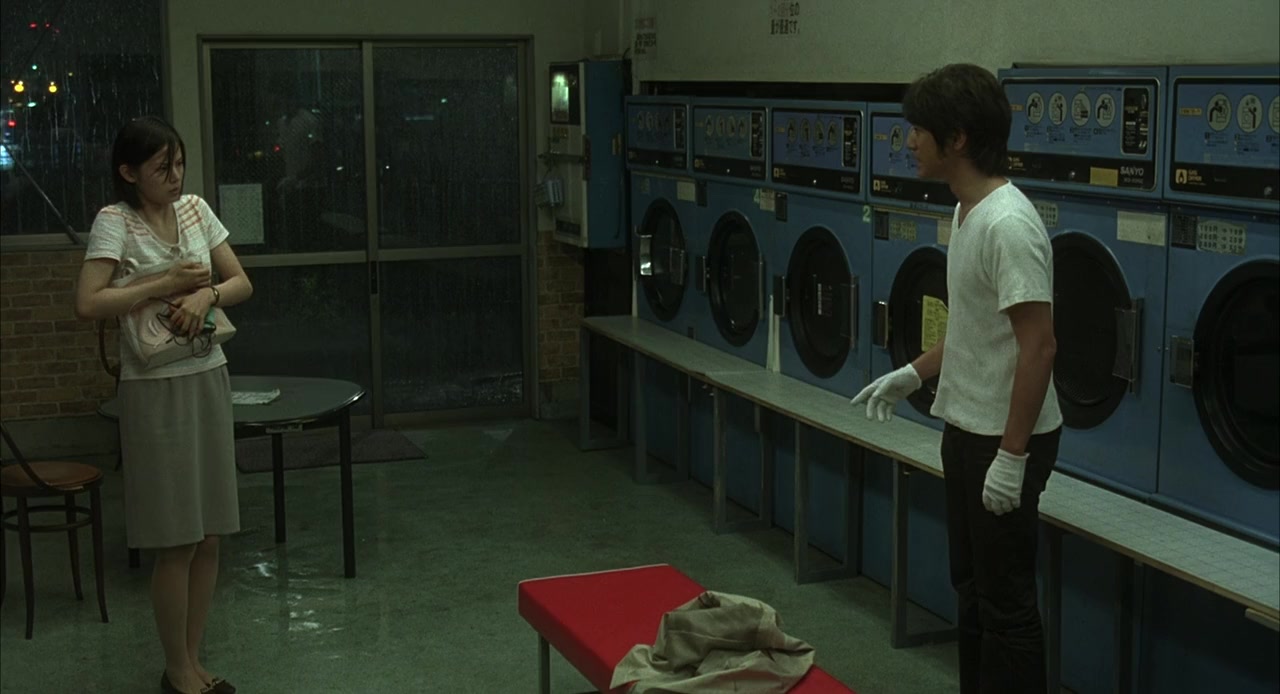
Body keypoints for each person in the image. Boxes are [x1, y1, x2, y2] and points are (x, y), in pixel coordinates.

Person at [851, 64, 1062, 694]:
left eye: (919, 129)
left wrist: (1012, 458)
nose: (909, 141)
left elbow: (1039, 347)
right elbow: (976, 330)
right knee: (971, 589)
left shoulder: (1008, 225)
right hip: (967, 426)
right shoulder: (968, 212)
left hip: (1005, 437)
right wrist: (912, 374)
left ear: (959, 138)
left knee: (1006, 603)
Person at [75, 116, 253, 694]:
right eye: (161, 167)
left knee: (210, 535)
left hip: (207, 373)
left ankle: (194, 660)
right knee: (175, 538)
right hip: (154, 388)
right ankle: (177, 668)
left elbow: (241, 282)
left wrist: (206, 294)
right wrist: (163, 282)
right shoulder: (115, 221)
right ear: (129, 173)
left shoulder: (196, 210)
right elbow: (88, 303)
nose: (175, 176)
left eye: (179, 164)